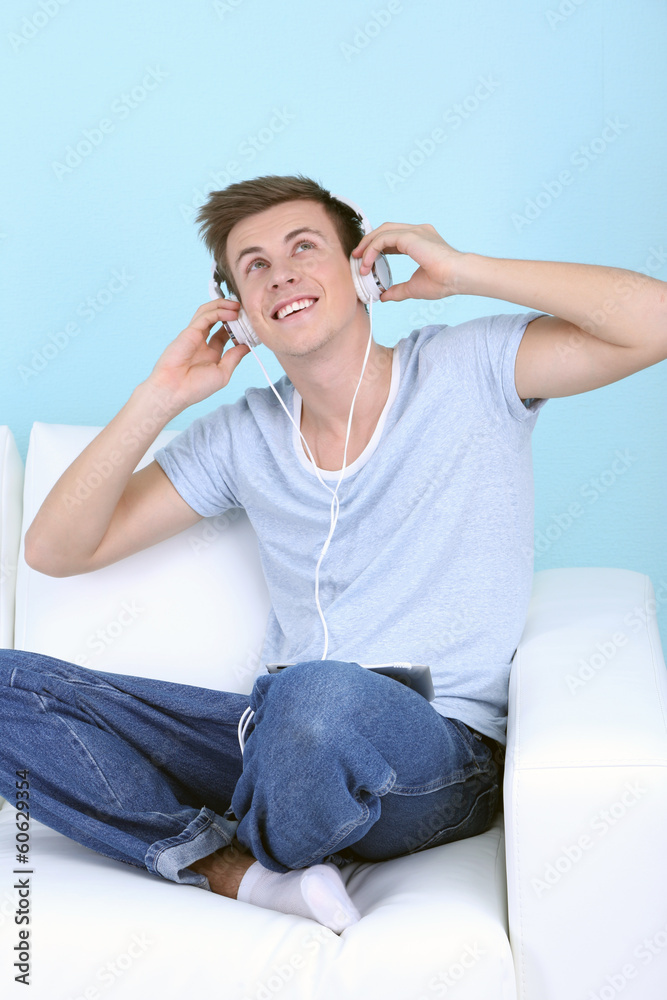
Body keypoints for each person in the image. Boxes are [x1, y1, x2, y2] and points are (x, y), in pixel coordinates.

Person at [2, 175, 665, 934]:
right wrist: (161, 395)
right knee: (11, 685)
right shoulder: (241, 435)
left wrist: (463, 270)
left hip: (434, 752)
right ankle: (237, 872)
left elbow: (653, 320)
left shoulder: (468, 368)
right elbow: (55, 549)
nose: (280, 272)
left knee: (320, 698)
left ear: (361, 269)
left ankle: (260, 830)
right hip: (273, 734)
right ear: (241, 310)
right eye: (253, 265)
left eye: (303, 247)